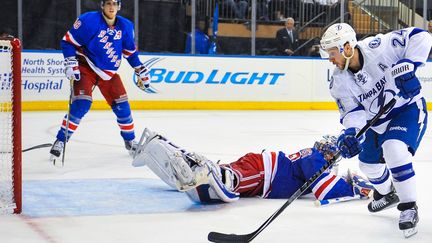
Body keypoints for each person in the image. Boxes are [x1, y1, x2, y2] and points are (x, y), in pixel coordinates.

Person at [319, 23, 432, 237]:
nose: (330, 59)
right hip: (376, 122)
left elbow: (421, 36)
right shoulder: (338, 81)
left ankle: (408, 207)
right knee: (367, 165)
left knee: (394, 148)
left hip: (406, 109)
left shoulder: (378, 46)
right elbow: (353, 113)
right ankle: (387, 193)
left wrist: (409, 65)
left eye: (332, 53)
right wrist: (351, 133)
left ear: (347, 47)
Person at [132, 128, 374, 204]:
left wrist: (351, 182)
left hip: (261, 177)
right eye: (330, 151)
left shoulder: (316, 159)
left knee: (216, 186)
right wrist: (354, 189)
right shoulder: (315, 159)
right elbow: (325, 191)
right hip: (263, 170)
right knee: (231, 181)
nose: (331, 155)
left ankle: (168, 156)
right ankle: (211, 172)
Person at [50, 0, 155, 162]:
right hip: (86, 67)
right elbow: (68, 42)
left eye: (115, 3)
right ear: (102, 5)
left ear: (119, 6)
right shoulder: (89, 20)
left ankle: (130, 142)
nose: (111, 7)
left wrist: (140, 69)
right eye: (108, 3)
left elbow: (129, 52)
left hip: (109, 73)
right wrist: (70, 61)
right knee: (82, 104)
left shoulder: (126, 26)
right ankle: (60, 140)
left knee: (123, 107)